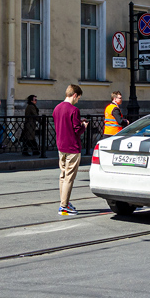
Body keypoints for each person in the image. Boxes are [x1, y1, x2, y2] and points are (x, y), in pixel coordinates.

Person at [53, 84, 87, 215]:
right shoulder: (74, 110)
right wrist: (84, 125)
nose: (78, 100)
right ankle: (64, 206)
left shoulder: (56, 108)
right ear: (74, 95)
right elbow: (77, 130)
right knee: (69, 177)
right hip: (73, 146)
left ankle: (64, 201)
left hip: (61, 146)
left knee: (62, 176)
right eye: (78, 97)